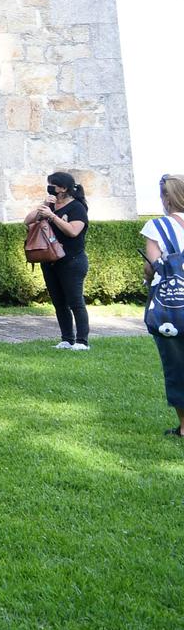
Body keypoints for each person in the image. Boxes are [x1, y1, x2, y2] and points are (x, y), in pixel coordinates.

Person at [140, 172, 184, 437]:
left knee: (177, 363)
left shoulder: (158, 226)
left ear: (167, 198)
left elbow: (150, 267)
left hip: (173, 308)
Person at [28, 171, 92, 350]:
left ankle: (82, 341)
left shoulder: (77, 207)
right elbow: (28, 220)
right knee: (59, 302)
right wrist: (45, 207)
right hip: (50, 260)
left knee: (75, 301)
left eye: (53, 186)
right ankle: (66, 338)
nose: (50, 189)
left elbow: (73, 231)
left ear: (63, 188)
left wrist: (52, 216)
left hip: (72, 260)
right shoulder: (50, 205)